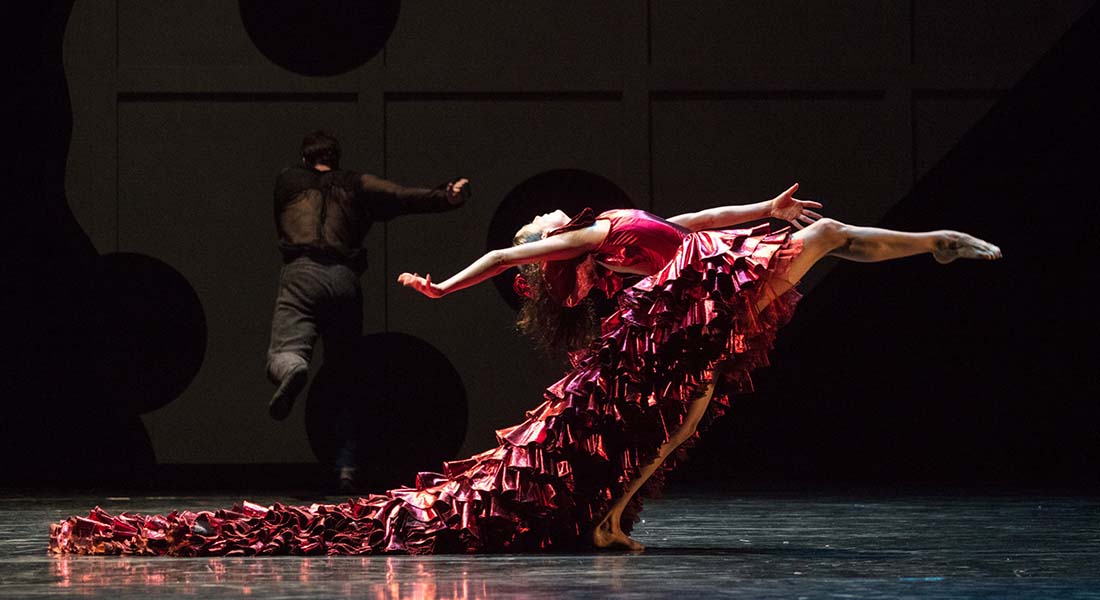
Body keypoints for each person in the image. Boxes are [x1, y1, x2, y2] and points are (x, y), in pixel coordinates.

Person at [49, 184, 999, 555]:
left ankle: (612, 513)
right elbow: (508, 263)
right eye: (545, 231)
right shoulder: (584, 240)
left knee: (699, 396)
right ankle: (945, 240)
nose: (544, 228)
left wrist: (763, 208)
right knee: (825, 242)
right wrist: (445, 286)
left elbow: (702, 224)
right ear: (561, 240)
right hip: (682, 297)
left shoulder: (618, 226)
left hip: (695, 286)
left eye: (541, 228)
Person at [266, 130, 469, 491]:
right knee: (344, 377)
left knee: (286, 351)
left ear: (304, 159)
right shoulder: (354, 184)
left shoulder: (288, 181)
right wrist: (446, 194)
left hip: (302, 272)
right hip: (344, 280)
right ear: (336, 158)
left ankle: (294, 367)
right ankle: (347, 467)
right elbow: (400, 196)